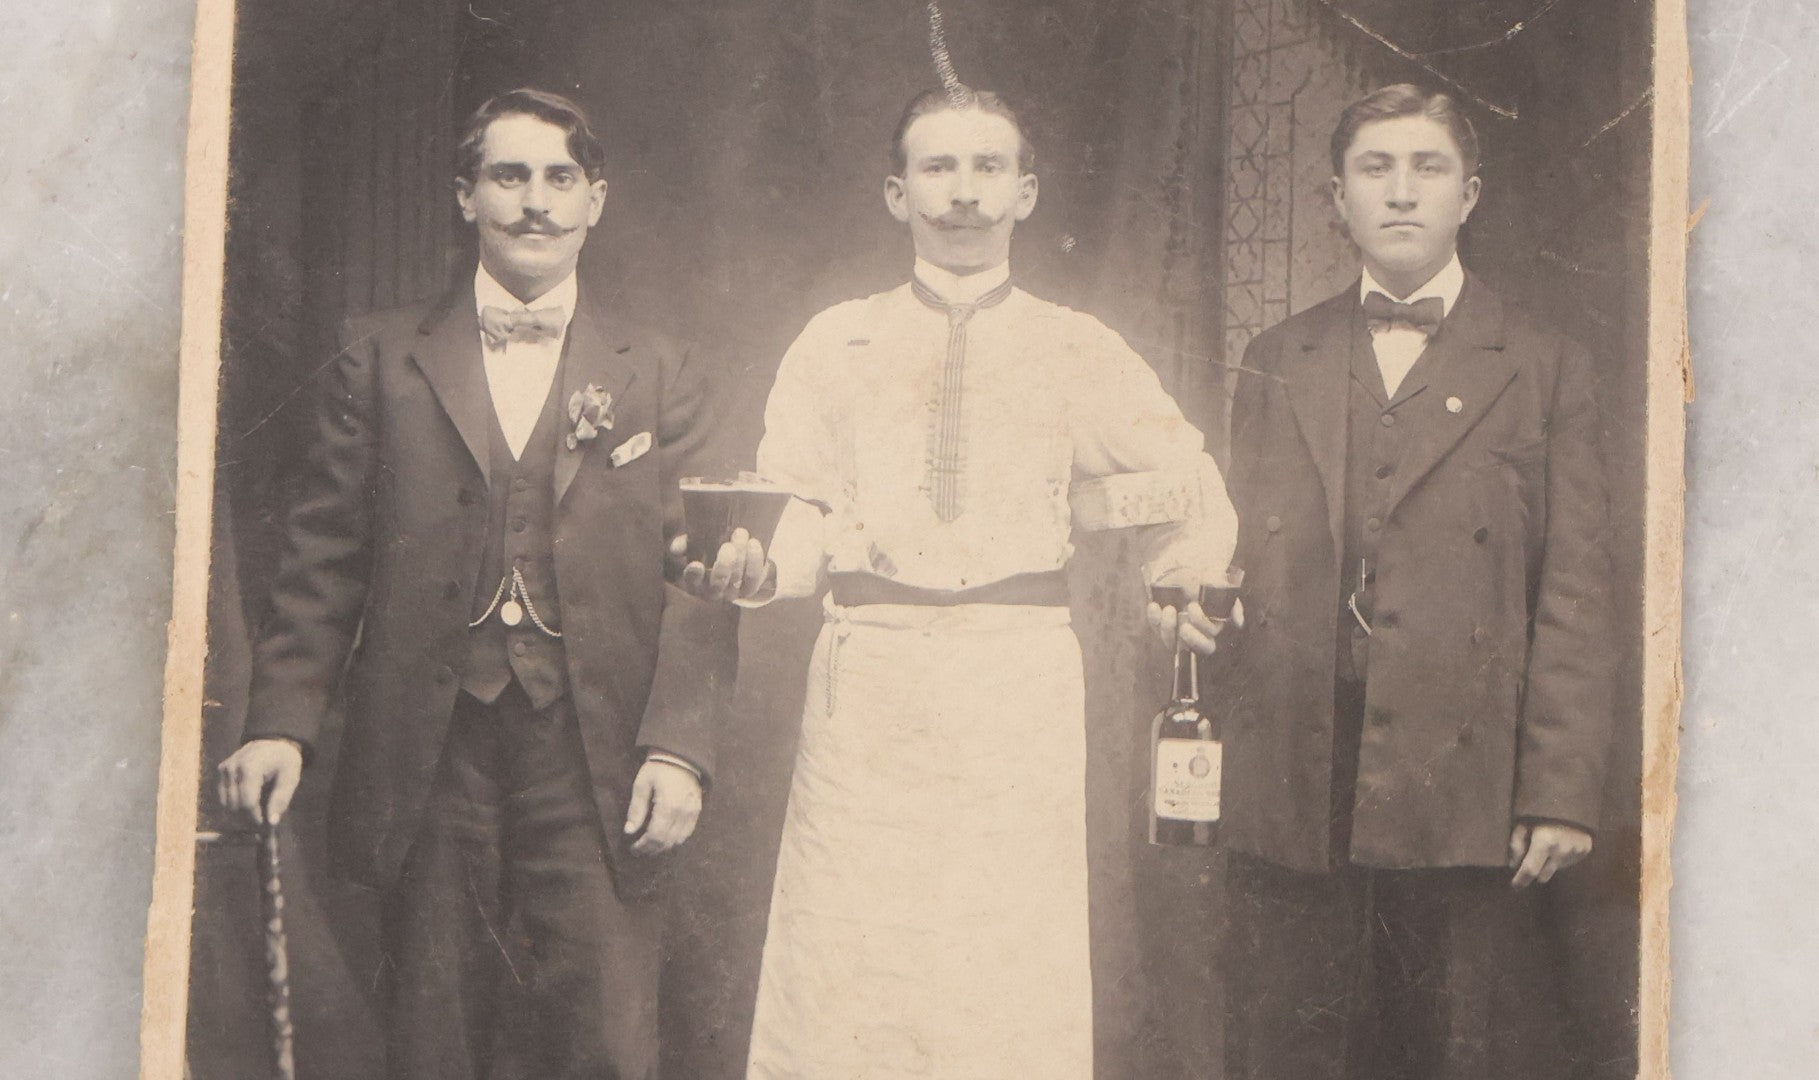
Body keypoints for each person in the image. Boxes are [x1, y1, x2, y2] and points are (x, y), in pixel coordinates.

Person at [216, 88, 759, 1080]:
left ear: (597, 199)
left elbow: (701, 576)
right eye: (508, 177)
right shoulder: (380, 356)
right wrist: (279, 722)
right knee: (435, 1036)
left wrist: (680, 749)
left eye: (560, 179)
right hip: (429, 750)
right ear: (465, 197)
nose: (535, 203)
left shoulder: (662, 369)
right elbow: (322, 554)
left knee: (604, 1040)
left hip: (595, 752)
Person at [738, 87, 1238, 1079]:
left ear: (1026, 192)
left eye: (986, 169)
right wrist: (764, 565)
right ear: (894, 194)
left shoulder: (1073, 345)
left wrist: (1178, 577)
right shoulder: (835, 343)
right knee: (852, 955)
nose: (961, 194)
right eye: (936, 168)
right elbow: (793, 508)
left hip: (1016, 684)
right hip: (867, 687)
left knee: (1002, 960)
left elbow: (1187, 482)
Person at [1171, 84, 1616, 1079]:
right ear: (1336, 198)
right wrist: (1207, 615)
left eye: (1428, 168)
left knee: (1441, 1046)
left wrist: (1559, 790)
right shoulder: (1277, 357)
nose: (1402, 192)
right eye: (1375, 169)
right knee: (1288, 1042)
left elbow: (1577, 593)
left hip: (1459, 777)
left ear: (1470, 194)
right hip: (1299, 764)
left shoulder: (1545, 367)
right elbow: (1236, 551)